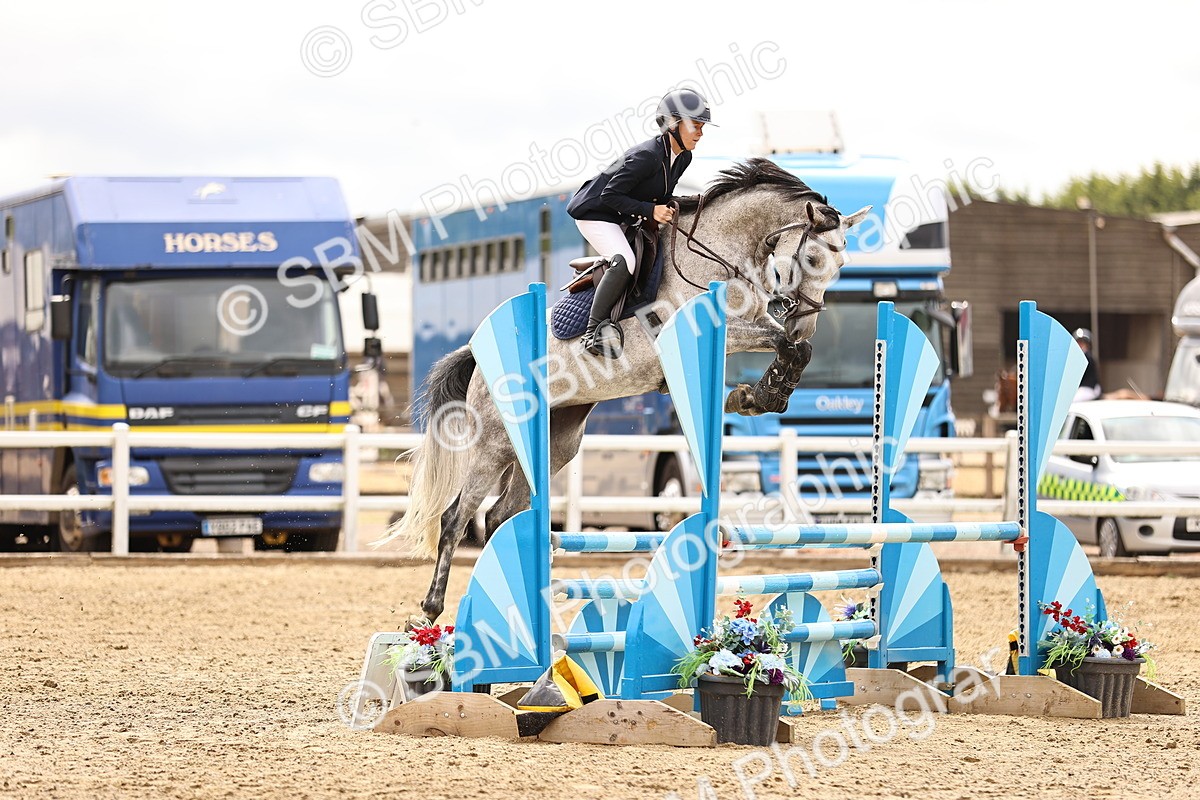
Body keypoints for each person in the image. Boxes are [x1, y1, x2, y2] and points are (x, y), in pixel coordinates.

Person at [567, 88, 713, 356]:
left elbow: (664, 195)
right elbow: (609, 195)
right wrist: (650, 210)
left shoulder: (683, 157)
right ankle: (592, 332)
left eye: (702, 126)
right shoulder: (646, 156)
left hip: (624, 215)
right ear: (672, 124)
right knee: (626, 261)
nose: (700, 133)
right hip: (596, 213)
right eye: (695, 125)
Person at [1073, 328, 1102, 401]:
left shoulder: (1087, 357)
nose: (1080, 344)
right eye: (1078, 342)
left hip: (1089, 388)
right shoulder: (1077, 357)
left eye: (1083, 342)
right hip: (1081, 389)